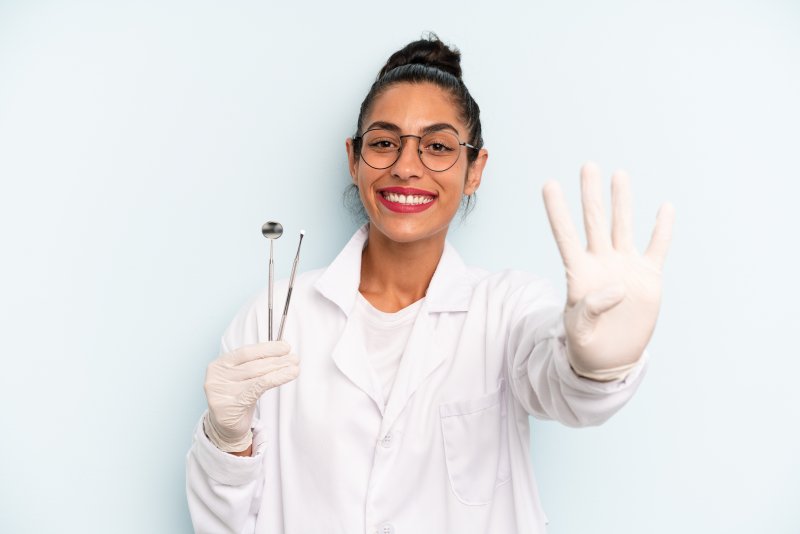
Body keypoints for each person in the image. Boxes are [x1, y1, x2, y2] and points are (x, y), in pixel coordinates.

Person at [186, 34, 674, 533]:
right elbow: (224, 524)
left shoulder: (507, 310)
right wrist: (226, 441)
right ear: (354, 159)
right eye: (383, 143)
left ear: (474, 169)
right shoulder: (274, 320)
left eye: (438, 147)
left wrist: (598, 366)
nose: (406, 167)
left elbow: (562, 387)